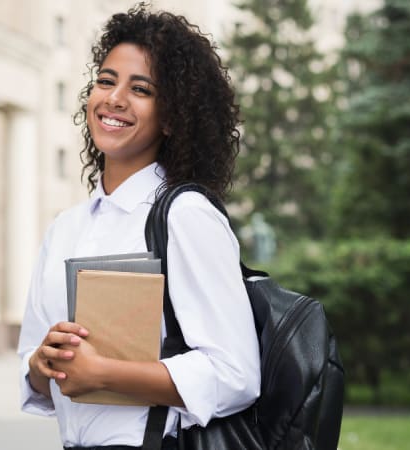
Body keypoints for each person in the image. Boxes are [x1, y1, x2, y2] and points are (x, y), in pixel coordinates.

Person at [17, 4, 260, 449]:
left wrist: (105, 375)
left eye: (141, 89)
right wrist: (42, 364)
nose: (114, 99)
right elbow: (32, 370)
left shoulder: (185, 216)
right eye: (106, 81)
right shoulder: (65, 228)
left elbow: (237, 373)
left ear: (171, 117)